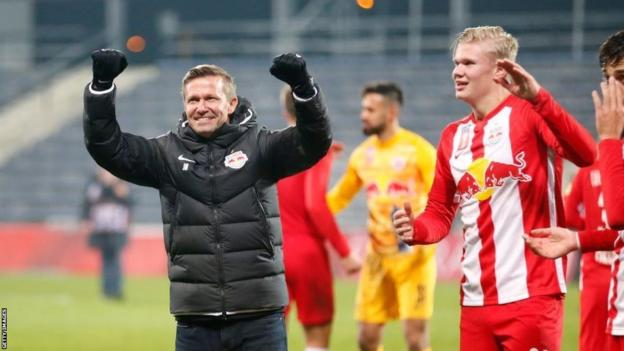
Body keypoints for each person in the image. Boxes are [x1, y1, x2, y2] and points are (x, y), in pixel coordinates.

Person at [83, 49, 332, 351]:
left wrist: (303, 89)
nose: (202, 107)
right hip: (195, 321)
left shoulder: (262, 147)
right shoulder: (165, 155)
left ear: (231, 104)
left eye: (211, 99)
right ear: (184, 106)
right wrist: (100, 88)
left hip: (260, 318)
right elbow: (108, 147)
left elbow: (314, 141)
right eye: (193, 100)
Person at [392, 26, 596, 351]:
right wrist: (415, 228)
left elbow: (586, 154)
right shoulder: (452, 136)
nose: (457, 71)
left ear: (499, 69)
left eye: (469, 63)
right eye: (456, 63)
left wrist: (540, 98)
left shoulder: (531, 113)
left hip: (532, 294)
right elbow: (440, 212)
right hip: (475, 300)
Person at [524, 30, 624, 351]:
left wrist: (608, 139)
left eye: (622, 77)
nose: (615, 92)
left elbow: (619, 215)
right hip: (604, 280)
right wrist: (578, 239)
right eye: (610, 80)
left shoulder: (609, 150)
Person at [327, 81, 437, 351]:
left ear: (390, 113)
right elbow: (338, 198)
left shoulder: (419, 149)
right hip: (377, 257)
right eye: (363, 108)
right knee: (366, 338)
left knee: (414, 338)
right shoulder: (362, 155)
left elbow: (441, 198)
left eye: (370, 109)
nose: (363, 114)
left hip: (414, 258)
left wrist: (423, 227)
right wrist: (302, 214)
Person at [276, 85, 361, 351]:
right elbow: (314, 205)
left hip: (272, 253)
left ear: (284, 111)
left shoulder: (269, 146)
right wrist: (345, 252)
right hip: (306, 254)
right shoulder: (317, 146)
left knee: (269, 335)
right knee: (317, 337)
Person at [565, 154, 616, 351]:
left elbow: (569, 213)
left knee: (592, 342)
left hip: (595, 269)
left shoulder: (587, 167)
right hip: (620, 266)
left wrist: (589, 231)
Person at [82, 166, 131, 300]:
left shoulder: (120, 184)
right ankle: (107, 289)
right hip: (101, 229)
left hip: (116, 229)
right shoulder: (94, 186)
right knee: (106, 260)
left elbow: (128, 202)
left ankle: (115, 290)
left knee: (114, 260)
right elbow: (87, 204)